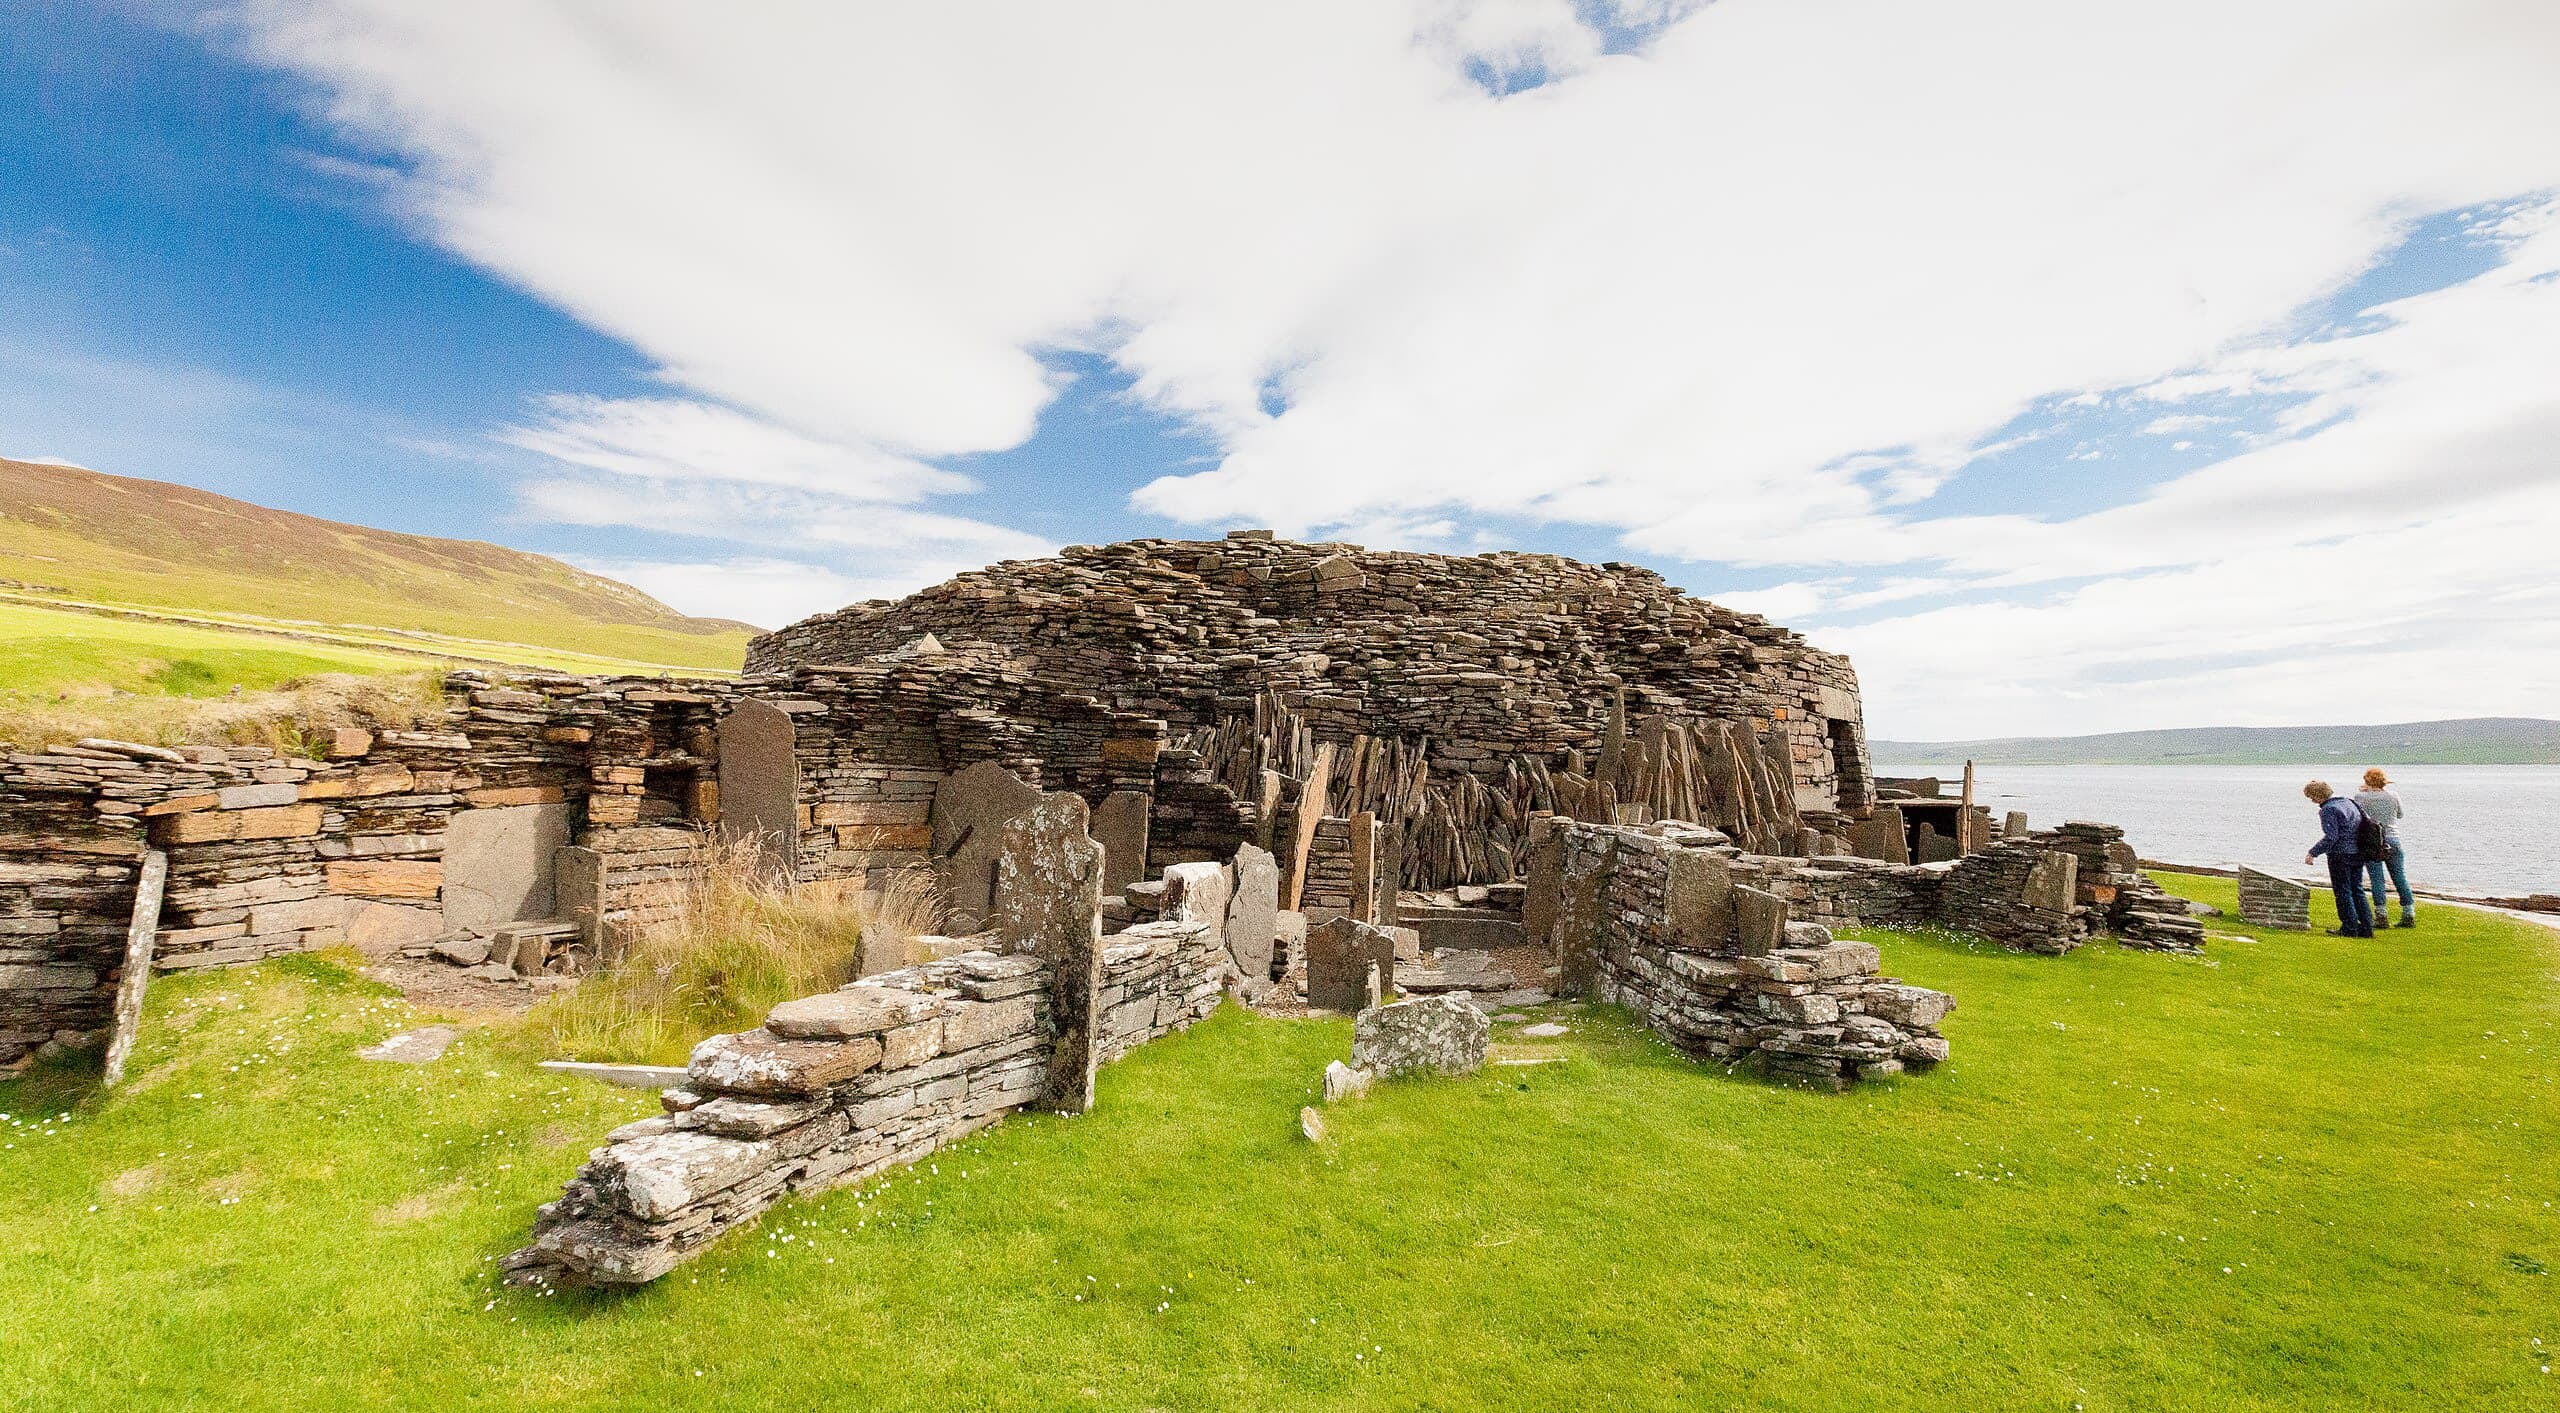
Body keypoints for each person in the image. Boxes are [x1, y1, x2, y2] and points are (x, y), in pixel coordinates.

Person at [2303, 781, 2374, 937]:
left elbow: (2331, 837)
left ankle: (2349, 927)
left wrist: (2313, 852)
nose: (2312, 801)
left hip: (2341, 854)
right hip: (2357, 851)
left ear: (2319, 795)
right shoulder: (2348, 802)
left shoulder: (2329, 809)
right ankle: (2367, 927)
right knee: (2357, 889)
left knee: (2343, 891)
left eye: (2312, 797)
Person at [2356, 767, 2415, 928]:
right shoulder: (2393, 796)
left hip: (2373, 841)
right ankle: (2408, 913)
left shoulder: (2361, 797)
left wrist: (2365, 792)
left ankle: (2381, 915)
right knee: (2399, 877)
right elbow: (2400, 815)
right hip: (2393, 839)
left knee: (2377, 879)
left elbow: (2358, 817)